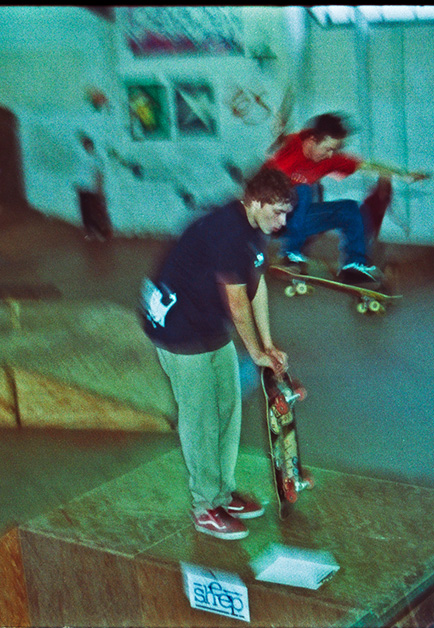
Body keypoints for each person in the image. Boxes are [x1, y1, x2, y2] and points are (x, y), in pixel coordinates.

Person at [140, 167, 293, 541]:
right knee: (201, 417)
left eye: (287, 213)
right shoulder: (227, 231)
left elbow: (256, 286)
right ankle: (205, 506)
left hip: (206, 322)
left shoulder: (255, 229)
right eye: (277, 212)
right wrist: (256, 352)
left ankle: (223, 492)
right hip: (176, 328)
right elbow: (237, 303)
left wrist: (269, 343)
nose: (283, 221)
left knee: (227, 406)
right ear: (255, 202)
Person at [265, 112, 428, 285]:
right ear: (312, 141)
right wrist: (278, 129)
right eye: (327, 148)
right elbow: (281, 138)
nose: (330, 155)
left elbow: (367, 165)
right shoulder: (293, 143)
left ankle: (353, 267)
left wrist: (404, 175)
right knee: (304, 189)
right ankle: (291, 255)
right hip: (269, 213)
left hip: (296, 220)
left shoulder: (330, 159)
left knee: (351, 209)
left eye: (334, 149)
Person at [75, 134, 112, 241]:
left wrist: (99, 188)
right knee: (85, 212)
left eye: (88, 145)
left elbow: (100, 174)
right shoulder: (82, 158)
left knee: (98, 212)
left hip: (93, 189)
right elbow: (80, 173)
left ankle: (103, 234)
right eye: (84, 145)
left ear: (92, 146)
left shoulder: (96, 158)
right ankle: (90, 232)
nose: (86, 147)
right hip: (82, 189)